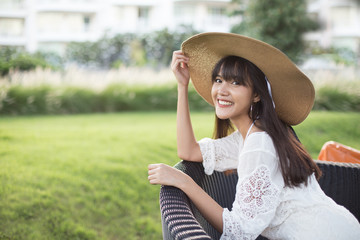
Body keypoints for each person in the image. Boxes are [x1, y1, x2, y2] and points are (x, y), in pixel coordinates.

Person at [147, 32, 360, 239]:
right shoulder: (250, 135)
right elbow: (188, 151)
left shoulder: (260, 143)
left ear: (257, 94)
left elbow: (240, 231)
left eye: (236, 82)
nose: (222, 90)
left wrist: (185, 183)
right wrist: (183, 86)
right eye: (219, 80)